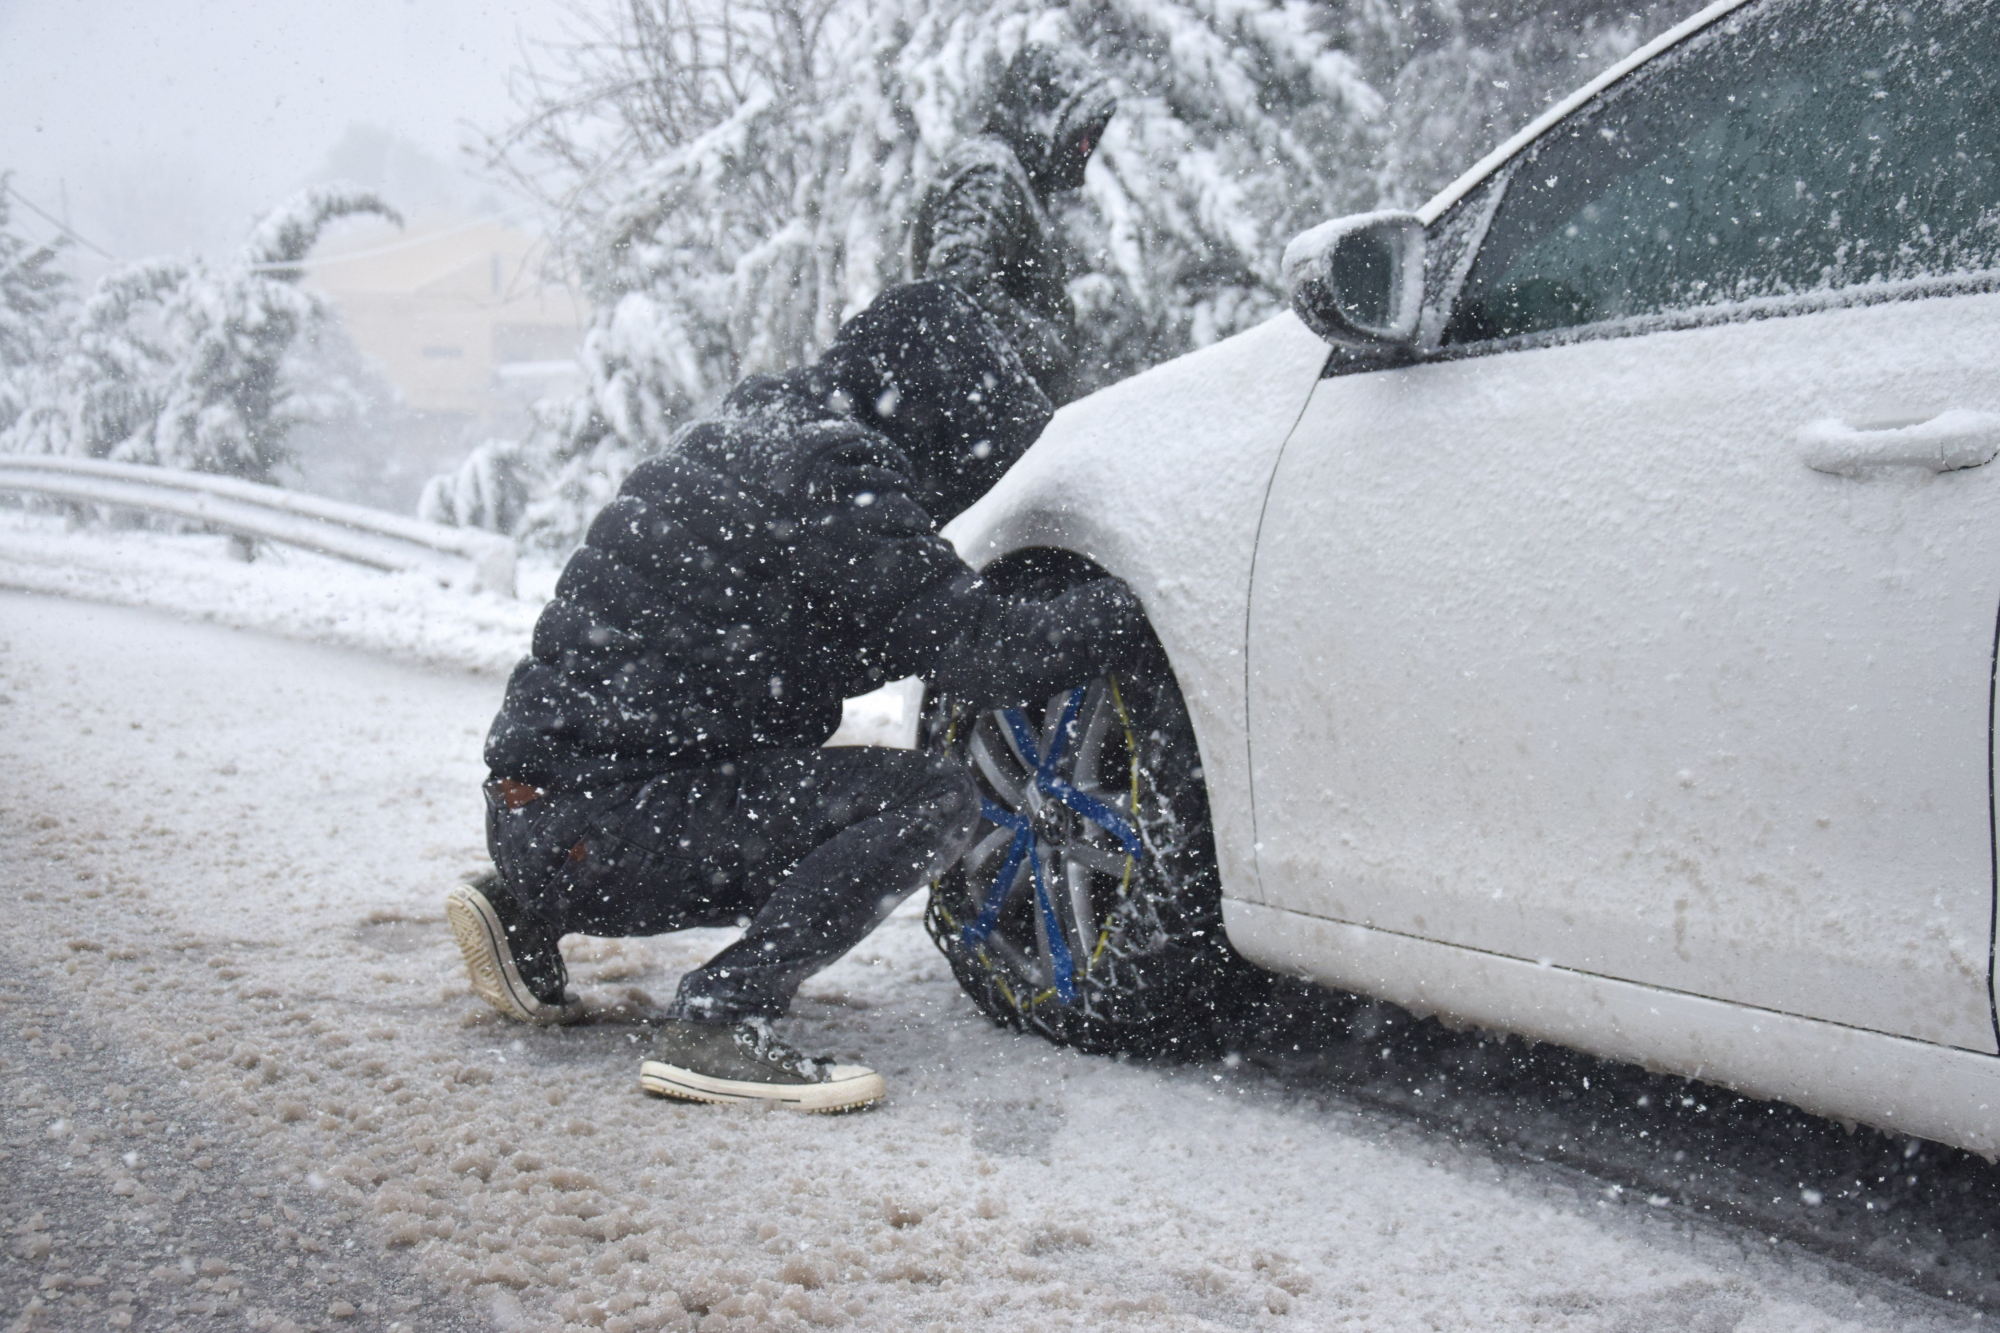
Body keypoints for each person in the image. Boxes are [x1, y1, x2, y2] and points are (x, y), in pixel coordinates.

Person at [446, 282, 1147, 1113]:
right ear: (934, 415)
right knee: (931, 800)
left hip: (544, 811)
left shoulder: (759, 441)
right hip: (603, 825)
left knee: (770, 775)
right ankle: (718, 1019)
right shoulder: (834, 479)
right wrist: (1144, 598)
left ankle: (524, 902)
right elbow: (981, 652)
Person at [910, 41, 1116, 407]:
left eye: (1091, 136)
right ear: (1045, 113)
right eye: (1080, 132)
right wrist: (1045, 350)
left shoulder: (1009, 175)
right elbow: (954, 285)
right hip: (986, 423)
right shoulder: (994, 172)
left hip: (993, 415)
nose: (1086, 147)